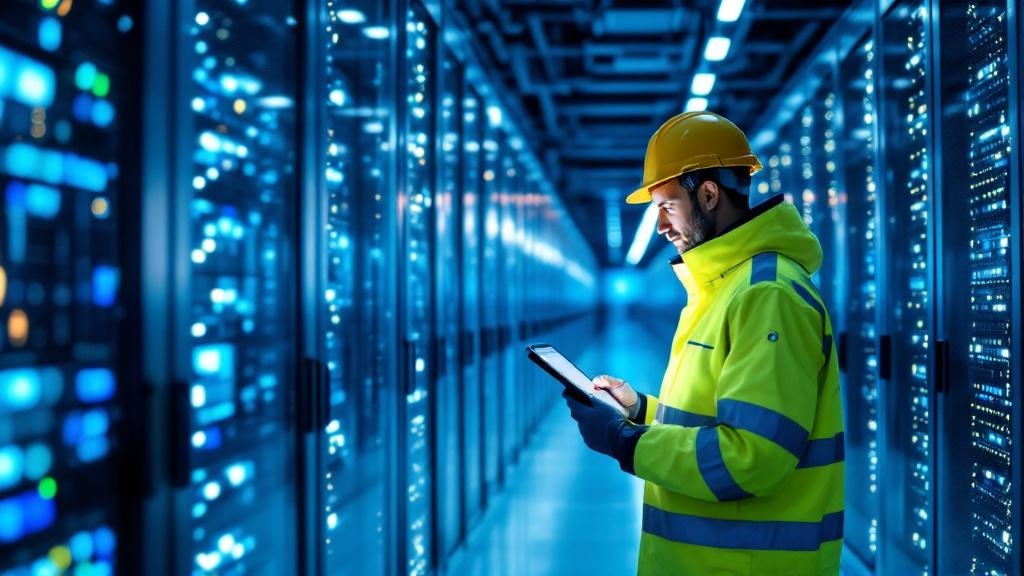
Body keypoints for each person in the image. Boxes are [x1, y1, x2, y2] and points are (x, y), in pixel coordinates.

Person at [562, 111, 844, 575]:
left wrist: (624, 442)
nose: (659, 226)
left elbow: (752, 458)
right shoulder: (726, 288)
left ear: (708, 195)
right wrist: (639, 410)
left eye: (667, 206)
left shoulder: (766, 295)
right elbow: (720, 416)